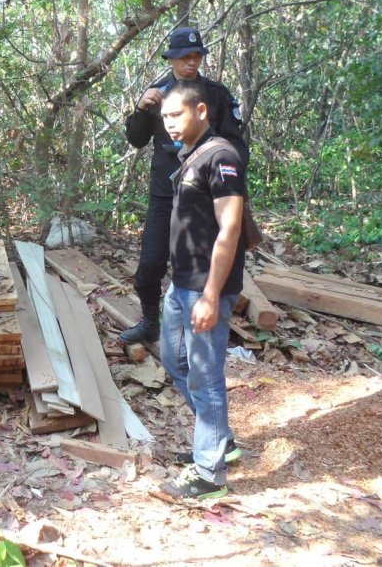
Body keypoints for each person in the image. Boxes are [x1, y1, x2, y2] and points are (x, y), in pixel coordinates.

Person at [121, 27, 248, 344]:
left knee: (200, 267)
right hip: (165, 194)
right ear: (171, 59)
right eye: (183, 57)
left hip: (204, 199)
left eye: (196, 56)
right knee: (150, 264)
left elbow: (236, 147)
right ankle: (150, 321)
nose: (191, 62)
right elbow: (136, 139)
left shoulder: (216, 95)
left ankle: (202, 327)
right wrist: (140, 109)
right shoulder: (157, 94)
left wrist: (213, 166)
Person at [158, 81, 246, 500]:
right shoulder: (190, 154)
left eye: (176, 115)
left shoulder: (221, 156)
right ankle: (219, 441)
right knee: (174, 359)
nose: (169, 123)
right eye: (164, 117)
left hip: (205, 287)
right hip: (182, 283)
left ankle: (210, 475)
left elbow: (230, 228)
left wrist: (212, 294)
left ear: (201, 111)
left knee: (204, 375)